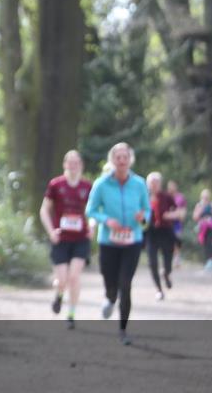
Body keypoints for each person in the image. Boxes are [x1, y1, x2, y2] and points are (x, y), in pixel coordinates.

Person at [85, 142, 150, 346]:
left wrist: (143, 217)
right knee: (110, 283)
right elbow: (90, 210)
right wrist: (106, 220)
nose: (122, 161)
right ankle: (110, 298)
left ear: (130, 160)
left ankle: (123, 330)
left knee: (126, 284)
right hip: (108, 241)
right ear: (112, 160)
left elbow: (147, 210)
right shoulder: (101, 184)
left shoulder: (139, 184)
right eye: (118, 157)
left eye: (125, 157)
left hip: (132, 241)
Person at [39, 150, 92, 329]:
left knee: (74, 277)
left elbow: (92, 212)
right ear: (65, 165)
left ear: (81, 165)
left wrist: (92, 227)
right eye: (70, 162)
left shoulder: (87, 186)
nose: (73, 166)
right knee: (62, 279)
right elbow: (44, 210)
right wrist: (51, 231)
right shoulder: (56, 184)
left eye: (76, 162)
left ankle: (71, 314)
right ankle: (59, 295)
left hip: (80, 239)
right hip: (60, 238)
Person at [145, 172, 180, 300]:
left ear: (160, 184)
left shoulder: (166, 197)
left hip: (166, 232)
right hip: (150, 234)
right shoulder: (144, 197)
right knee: (152, 262)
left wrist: (170, 215)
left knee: (167, 261)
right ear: (148, 185)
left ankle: (166, 273)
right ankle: (159, 289)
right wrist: (143, 223)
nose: (154, 185)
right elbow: (139, 215)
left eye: (156, 182)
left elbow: (177, 211)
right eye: (151, 183)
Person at [192, 189, 212, 270]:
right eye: (204, 197)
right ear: (201, 197)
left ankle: (211, 261)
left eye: (207, 197)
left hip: (211, 227)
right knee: (205, 243)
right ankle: (208, 261)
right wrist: (201, 210)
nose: (205, 199)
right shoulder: (199, 205)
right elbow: (195, 217)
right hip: (203, 228)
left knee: (210, 242)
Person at [166, 180, 186, 268]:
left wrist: (178, 215)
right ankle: (169, 259)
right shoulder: (166, 196)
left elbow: (182, 211)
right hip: (167, 223)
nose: (171, 188)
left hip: (177, 224)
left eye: (173, 186)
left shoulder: (180, 197)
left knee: (177, 241)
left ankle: (177, 258)